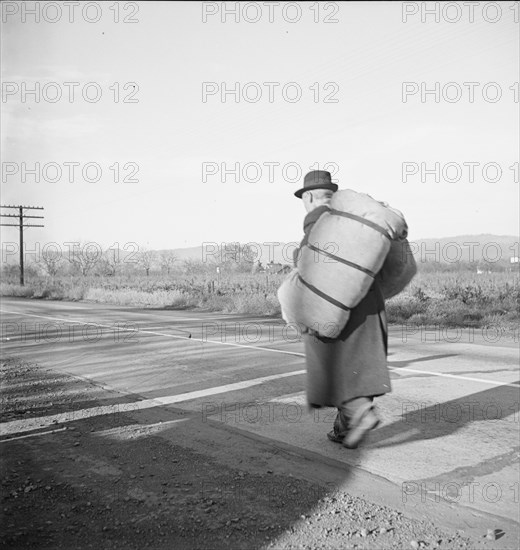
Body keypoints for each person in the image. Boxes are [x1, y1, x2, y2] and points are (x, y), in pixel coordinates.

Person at [293, 170, 391, 449]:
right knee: (359, 367)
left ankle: (361, 412)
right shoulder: (355, 220)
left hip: (341, 306)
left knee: (329, 362)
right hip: (371, 305)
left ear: (309, 197)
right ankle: (346, 428)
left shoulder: (318, 222)